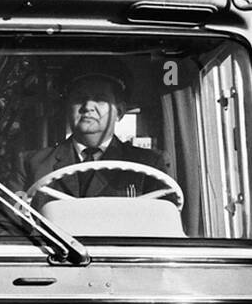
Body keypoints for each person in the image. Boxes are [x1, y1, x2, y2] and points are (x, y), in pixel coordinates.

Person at [20, 64, 167, 210]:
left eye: (100, 99)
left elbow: (165, 223)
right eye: (79, 98)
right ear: (67, 108)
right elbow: (6, 225)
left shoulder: (148, 165)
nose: (88, 106)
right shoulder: (32, 165)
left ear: (120, 112)